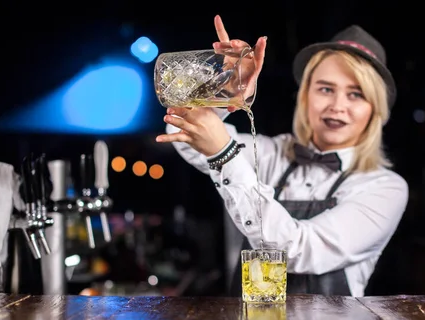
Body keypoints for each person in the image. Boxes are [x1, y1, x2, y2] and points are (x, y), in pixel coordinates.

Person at [156, 15, 409, 297]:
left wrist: (226, 155)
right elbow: (180, 129)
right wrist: (227, 90)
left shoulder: (384, 188)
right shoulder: (272, 154)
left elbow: (299, 250)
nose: (338, 106)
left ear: (375, 110)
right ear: (305, 97)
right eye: (326, 89)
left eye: (356, 94)